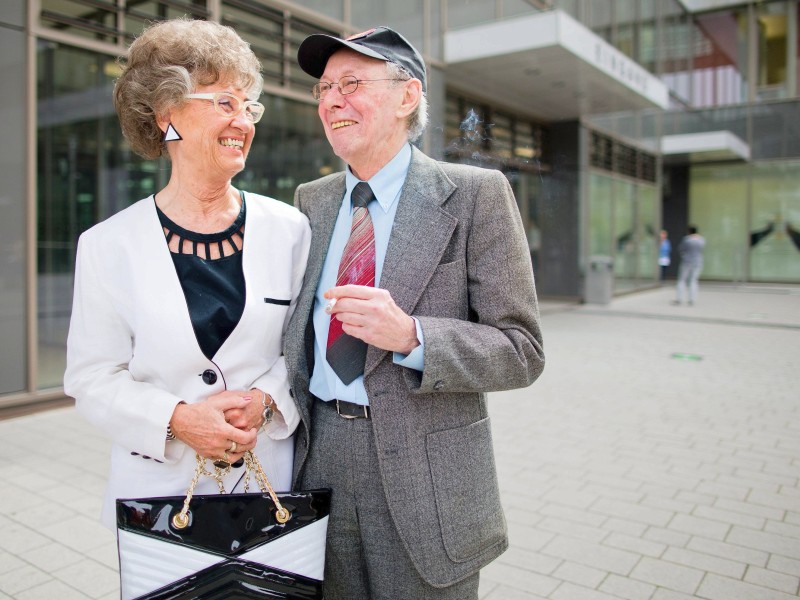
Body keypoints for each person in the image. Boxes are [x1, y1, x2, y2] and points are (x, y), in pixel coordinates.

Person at [284, 26, 545, 599]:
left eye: (351, 84)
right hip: (318, 454)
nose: (331, 101)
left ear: (408, 96)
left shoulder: (477, 194)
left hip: (427, 475)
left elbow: (523, 351)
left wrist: (412, 335)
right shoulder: (312, 200)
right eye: (324, 89)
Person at [64, 18, 310, 530]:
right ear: (167, 114)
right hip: (157, 493)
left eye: (249, 107)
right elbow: (91, 378)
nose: (244, 121)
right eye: (224, 103)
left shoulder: (290, 229)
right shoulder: (108, 245)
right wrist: (177, 419)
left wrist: (266, 400)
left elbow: (304, 347)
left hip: (269, 488)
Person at [673, 225, 705, 305]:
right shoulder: (701, 240)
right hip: (698, 262)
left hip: (687, 261)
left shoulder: (687, 239)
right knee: (693, 280)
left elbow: (681, 249)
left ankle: (679, 298)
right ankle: (692, 299)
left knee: (682, 280)